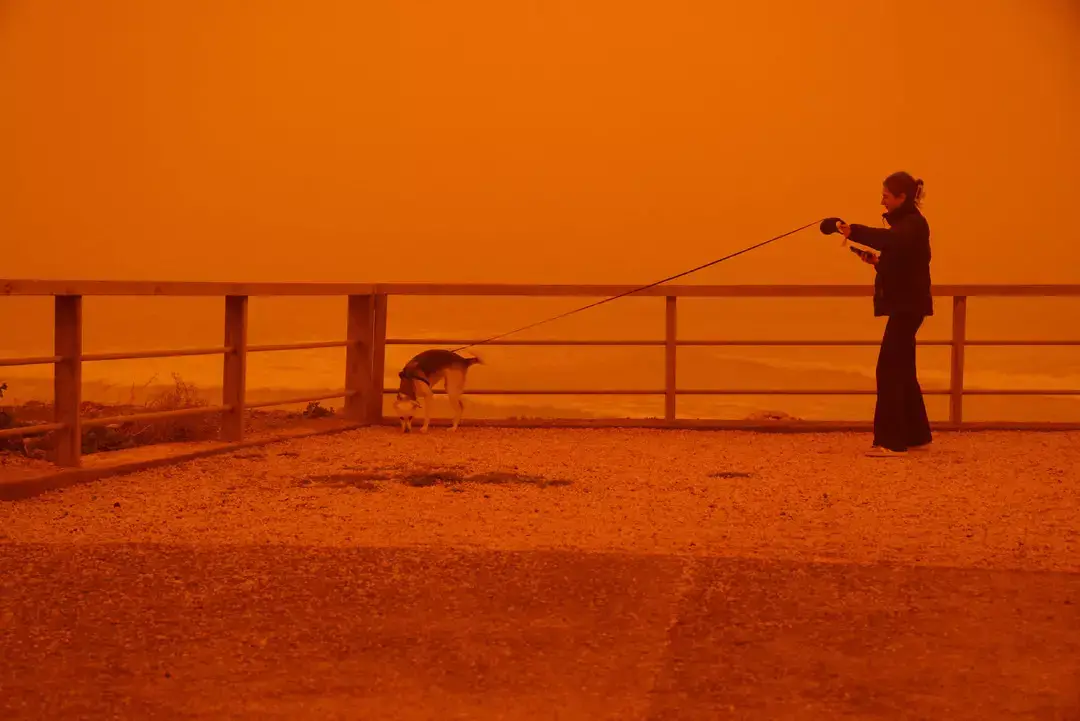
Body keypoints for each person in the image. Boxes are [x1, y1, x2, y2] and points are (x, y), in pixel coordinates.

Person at [837, 172, 933, 457]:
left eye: (886, 196)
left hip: (907, 308)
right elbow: (902, 259)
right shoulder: (908, 225)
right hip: (908, 306)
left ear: (902, 197)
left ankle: (891, 442)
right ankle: (917, 436)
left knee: (889, 370)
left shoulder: (913, 224)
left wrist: (852, 230)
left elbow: (890, 240)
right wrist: (877, 262)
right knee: (902, 370)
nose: (882, 201)